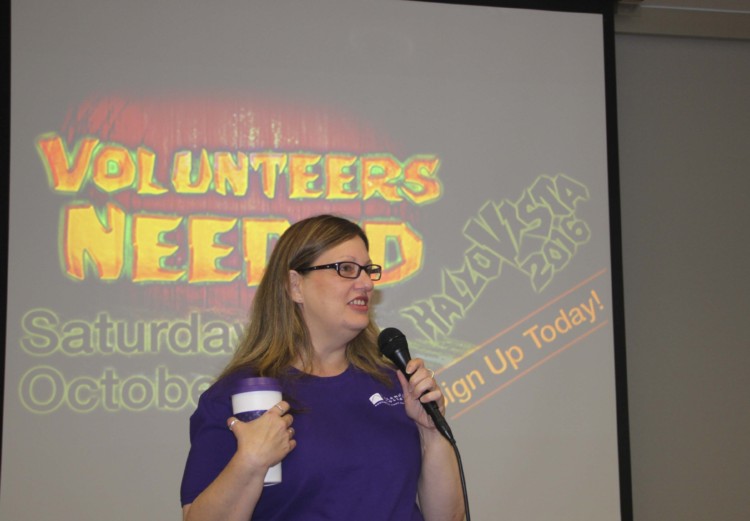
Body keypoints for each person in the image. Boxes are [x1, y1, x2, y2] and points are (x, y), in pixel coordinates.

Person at [180, 214, 464, 521]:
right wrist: (249, 461)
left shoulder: (396, 384)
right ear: (295, 286)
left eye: (368, 270)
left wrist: (430, 431)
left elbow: (449, 518)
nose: (367, 283)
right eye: (346, 269)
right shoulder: (238, 396)